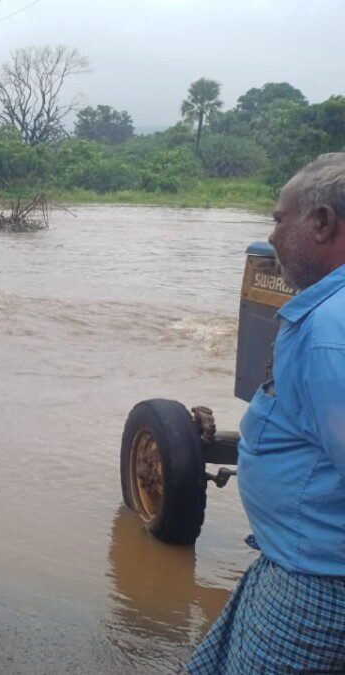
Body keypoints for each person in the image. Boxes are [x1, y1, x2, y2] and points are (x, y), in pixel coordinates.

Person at [186, 153, 345, 673]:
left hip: (314, 584)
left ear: (322, 223)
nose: (271, 238)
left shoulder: (330, 335)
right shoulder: (322, 315)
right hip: (285, 561)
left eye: (280, 220)